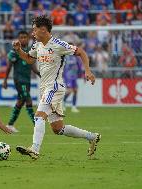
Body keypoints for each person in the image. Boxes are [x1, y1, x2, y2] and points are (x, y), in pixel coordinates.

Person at [12, 15, 101, 160]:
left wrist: (87, 71)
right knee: (58, 129)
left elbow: (81, 52)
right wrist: (19, 50)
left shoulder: (58, 44)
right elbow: (28, 59)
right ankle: (92, 137)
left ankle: (34, 149)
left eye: (34, 30)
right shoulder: (37, 45)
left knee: (39, 116)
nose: (32, 33)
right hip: (45, 88)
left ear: (43, 29)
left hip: (54, 87)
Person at [2, 30, 40, 133]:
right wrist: (5, 80)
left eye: (25, 37)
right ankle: (37, 126)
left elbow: (33, 67)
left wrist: (42, 75)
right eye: (21, 37)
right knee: (28, 100)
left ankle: (10, 124)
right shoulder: (14, 51)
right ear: (18, 39)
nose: (23, 39)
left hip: (27, 80)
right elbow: (9, 67)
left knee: (20, 101)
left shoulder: (30, 51)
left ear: (28, 39)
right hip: (19, 80)